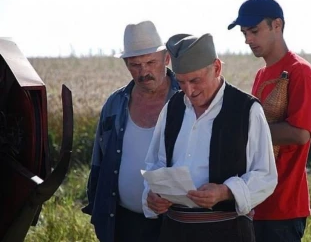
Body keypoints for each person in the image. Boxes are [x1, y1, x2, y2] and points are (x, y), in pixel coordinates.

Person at [142, 33, 278, 242]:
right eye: (182, 82)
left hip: (227, 232)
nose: (189, 90)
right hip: (174, 232)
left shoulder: (246, 109)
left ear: (216, 68)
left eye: (195, 80)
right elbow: (156, 163)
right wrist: (152, 195)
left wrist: (225, 191)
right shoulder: (173, 108)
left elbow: (265, 175)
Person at [228, 0, 311, 242]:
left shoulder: (301, 71)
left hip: (285, 207)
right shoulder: (261, 74)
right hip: (256, 201)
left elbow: (300, 133)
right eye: (244, 33)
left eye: (254, 31)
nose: (248, 39)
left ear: (277, 25)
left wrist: (243, 130)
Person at [82, 20, 180, 242]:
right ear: (126, 63)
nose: (144, 71)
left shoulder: (185, 100)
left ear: (166, 59)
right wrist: (96, 210)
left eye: (150, 62)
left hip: (175, 223)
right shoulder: (115, 103)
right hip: (122, 222)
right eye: (135, 64)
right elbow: (98, 160)